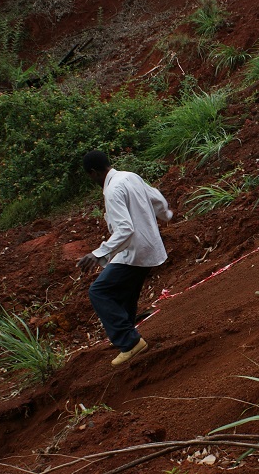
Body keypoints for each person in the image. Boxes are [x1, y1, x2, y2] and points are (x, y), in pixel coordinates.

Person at [77, 150, 172, 366]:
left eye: (89, 176)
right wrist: (166, 215)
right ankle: (128, 333)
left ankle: (130, 343)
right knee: (125, 291)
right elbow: (156, 197)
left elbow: (125, 229)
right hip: (149, 247)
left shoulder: (112, 190)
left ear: (92, 172)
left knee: (99, 292)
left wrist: (98, 253)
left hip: (134, 251)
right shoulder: (130, 176)